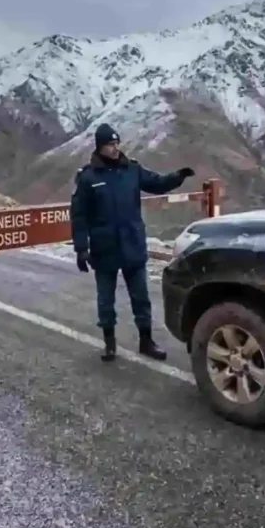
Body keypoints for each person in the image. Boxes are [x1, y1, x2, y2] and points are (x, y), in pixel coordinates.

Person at [70, 123, 195, 362]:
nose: (115, 148)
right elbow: (79, 216)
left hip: (132, 246)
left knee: (141, 298)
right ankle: (109, 342)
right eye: (109, 144)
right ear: (99, 146)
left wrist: (178, 177)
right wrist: (81, 248)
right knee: (106, 300)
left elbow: (156, 183)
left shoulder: (131, 170)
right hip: (104, 249)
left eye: (117, 143)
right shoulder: (88, 177)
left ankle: (146, 341)